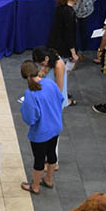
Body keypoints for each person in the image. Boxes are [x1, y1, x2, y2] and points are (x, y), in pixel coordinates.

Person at [20, 61, 64, 193]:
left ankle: (35, 186)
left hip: (40, 132)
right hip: (55, 126)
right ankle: (49, 180)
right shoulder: (50, 83)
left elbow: (31, 118)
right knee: (51, 154)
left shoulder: (30, 93)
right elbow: (60, 99)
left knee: (39, 159)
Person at [47, 0, 80, 101]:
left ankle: (61, 92)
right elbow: (69, 34)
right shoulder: (69, 12)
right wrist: (73, 53)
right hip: (63, 47)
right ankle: (61, 96)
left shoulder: (61, 7)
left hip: (55, 44)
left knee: (59, 72)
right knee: (62, 73)